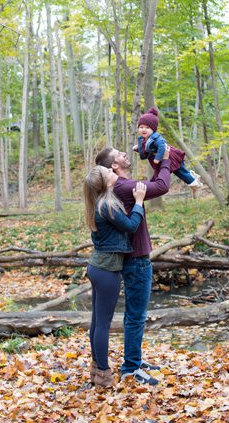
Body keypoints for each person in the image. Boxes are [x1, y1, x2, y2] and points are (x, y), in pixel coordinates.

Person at [94, 144, 173, 385]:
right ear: (114, 166)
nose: (125, 153)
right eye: (119, 154)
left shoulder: (121, 187)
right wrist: (167, 160)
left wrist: (158, 160)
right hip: (137, 259)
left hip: (131, 258)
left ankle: (134, 360)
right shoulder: (124, 187)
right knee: (136, 316)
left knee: (133, 315)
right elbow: (162, 186)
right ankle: (130, 367)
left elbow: (153, 183)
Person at [83, 165, 147, 388]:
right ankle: (103, 373)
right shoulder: (107, 205)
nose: (112, 171)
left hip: (97, 267)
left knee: (96, 322)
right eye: (108, 172)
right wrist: (139, 202)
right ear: (107, 182)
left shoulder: (98, 202)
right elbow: (131, 226)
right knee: (102, 324)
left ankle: (95, 368)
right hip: (106, 271)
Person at [133, 107, 202, 193]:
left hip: (169, 157)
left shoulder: (156, 138)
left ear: (153, 129)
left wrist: (157, 158)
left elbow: (162, 146)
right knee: (160, 175)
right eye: (141, 127)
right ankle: (193, 179)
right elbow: (146, 149)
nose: (143, 129)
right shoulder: (145, 139)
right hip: (162, 160)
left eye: (147, 127)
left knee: (179, 171)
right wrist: (137, 148)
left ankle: (195, 184)